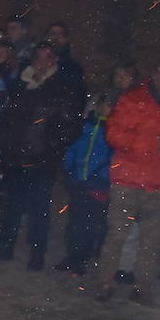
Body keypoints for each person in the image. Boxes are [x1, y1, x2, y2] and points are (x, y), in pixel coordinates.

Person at [96, 57, 160, 304]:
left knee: (151, 241)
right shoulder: (132, 99)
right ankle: (104, 284)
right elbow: (113, 134)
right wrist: (150, 145)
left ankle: (142, 288)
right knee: (117, 236)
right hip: (128, 180)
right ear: (154, 75)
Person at [0, 42, 77, 268]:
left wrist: (49, 148)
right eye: (37, 57)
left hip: (42, 161)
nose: (40, 62)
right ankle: (5, 247)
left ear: (53, 61)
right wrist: (3, 143)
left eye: (46, 58)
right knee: (11, 206)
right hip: (16, 156)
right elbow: (8, 117)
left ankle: (37, 256)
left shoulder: (61, 88)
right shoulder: (22, 83)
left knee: (39, 210)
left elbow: (70, 127)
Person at [52, 99, 114, 274]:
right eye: (105, 103)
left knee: (91, 223)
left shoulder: (114, 129)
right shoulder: (86, 124)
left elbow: (113, 159)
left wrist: (99, 178)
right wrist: (69, 170)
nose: (106, 108)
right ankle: (72, 256)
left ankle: (83, 259)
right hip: (78, 180)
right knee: (75, 221)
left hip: (98, 184)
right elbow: (72, 147)